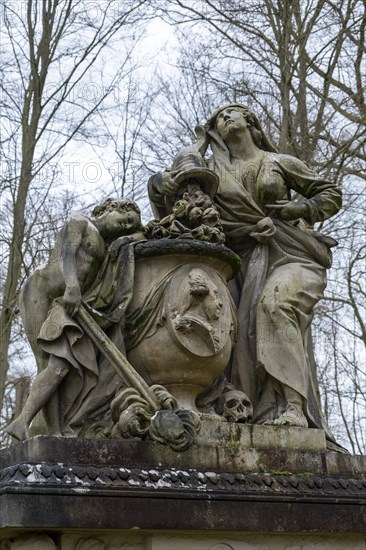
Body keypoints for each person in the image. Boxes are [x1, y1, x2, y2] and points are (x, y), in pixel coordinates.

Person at [148, 103, 342, 435]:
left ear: (250, 122)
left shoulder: (278, 162)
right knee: (229, 327)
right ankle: (244, 407)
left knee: (275, 304)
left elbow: (330, 194)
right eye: (219, 117)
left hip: (291, 253)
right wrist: (183, 160)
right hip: (241, 259)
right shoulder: (213, 175)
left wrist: (300, 207)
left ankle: (293, 407)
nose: (225, 117)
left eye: (232, 112)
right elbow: (171, 192)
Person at [7, 198, 144, 440]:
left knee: (58, 366)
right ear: (108, 210)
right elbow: (66, 253)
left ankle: (54, 429)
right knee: (47, 360)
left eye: (129, 225)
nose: (125, 225)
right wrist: (71, 283)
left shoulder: (106, 246)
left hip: (68, 303)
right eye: (124, 219)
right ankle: (40, 426)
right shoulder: (80, 221)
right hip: (41, 293)